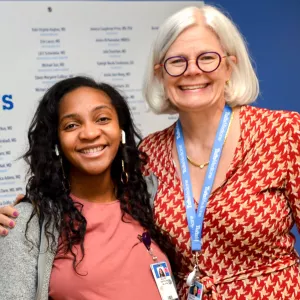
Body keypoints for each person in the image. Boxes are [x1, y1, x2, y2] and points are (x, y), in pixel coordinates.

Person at [1, 4, 300, 299]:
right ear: (161, 73)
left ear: (229, 66)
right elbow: (93, 199)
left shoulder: (283, 134)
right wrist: (29, 212)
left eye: (207, 58)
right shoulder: (149, 155)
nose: (192, 70)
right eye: (177, 61)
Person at [0, 76, 177, 300]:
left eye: (102, 119)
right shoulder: (29, 223)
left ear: (120, 131)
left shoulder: (150, 199)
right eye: (71, 125)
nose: (90, 133)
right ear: (56, 142)